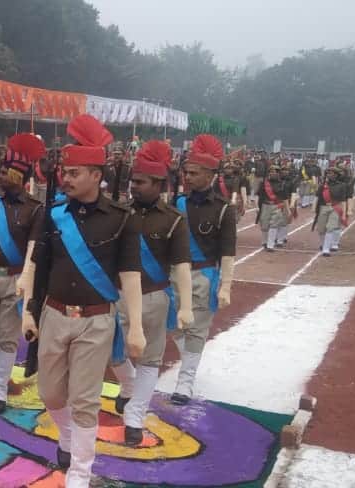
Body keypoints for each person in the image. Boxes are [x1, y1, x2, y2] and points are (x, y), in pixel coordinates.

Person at [18, 114, 143, 487]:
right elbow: (37, 266)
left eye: (74, 172)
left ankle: (80, 475)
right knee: (50, 392)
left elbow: (131, 275)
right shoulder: (53, 215)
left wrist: (135, 326)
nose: (66, 179)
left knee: (85, 400)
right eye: (65, 172)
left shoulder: (122, 219)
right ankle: (67, 437)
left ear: (96, 174)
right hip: (53, 314)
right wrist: (28, 310)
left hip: (96, 320)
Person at [113, 140, 194, 446]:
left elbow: (182, 266)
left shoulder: (173, 219)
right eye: (132, 180)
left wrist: (185, 306)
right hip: (117, 295)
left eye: (141, 182)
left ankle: (135, 417)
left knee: (149, 359)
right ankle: (129, 386)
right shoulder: (118, 212)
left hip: (155, 299)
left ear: (159, 184)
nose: (134, 186)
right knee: (112, 351)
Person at [0, 133, 44, 415]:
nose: (0, 176)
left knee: (8, 337)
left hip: (16, 279)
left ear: (19, 175)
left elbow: (32, 249)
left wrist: (27, 281)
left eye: (4, 172)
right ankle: (3, 368)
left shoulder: (36, 210)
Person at [170, 134, 236, 406]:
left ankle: (185, 381)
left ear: (210, 174)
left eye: (195, 173)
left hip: (203, 276)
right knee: (173, 325)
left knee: (196, 330)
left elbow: (228, 252)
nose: (188, 177)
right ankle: (191, 361)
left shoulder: (223, 210)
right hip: (173, 274)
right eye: (186, 172)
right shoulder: (177, 203)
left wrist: (226, 285)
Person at [314, 164, 350, 256]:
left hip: (335, 208)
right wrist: (314, 208)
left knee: (330, 228)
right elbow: (317, 197)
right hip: (323, 207)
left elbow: (343, 200)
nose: (329, 175)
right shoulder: (322, 186)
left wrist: (344, 213)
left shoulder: (342, 186)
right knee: (321, 229)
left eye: (332, 173)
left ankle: (326, 249)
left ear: (336, 175)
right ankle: (323, 244)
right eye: (328, 173)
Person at [257, 163, 292, 252]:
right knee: (264, 226)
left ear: (278, 173)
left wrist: (288, 210)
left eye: (276, 172)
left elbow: (285, 198)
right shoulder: (263, 184)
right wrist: (257, 207)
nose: (273, 173)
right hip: (265, 206)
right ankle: (265, 242)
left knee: (274, 225)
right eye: (272, 172)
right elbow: (259, 196)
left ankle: (270, 245)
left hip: (277, 206)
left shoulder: (282, 184)